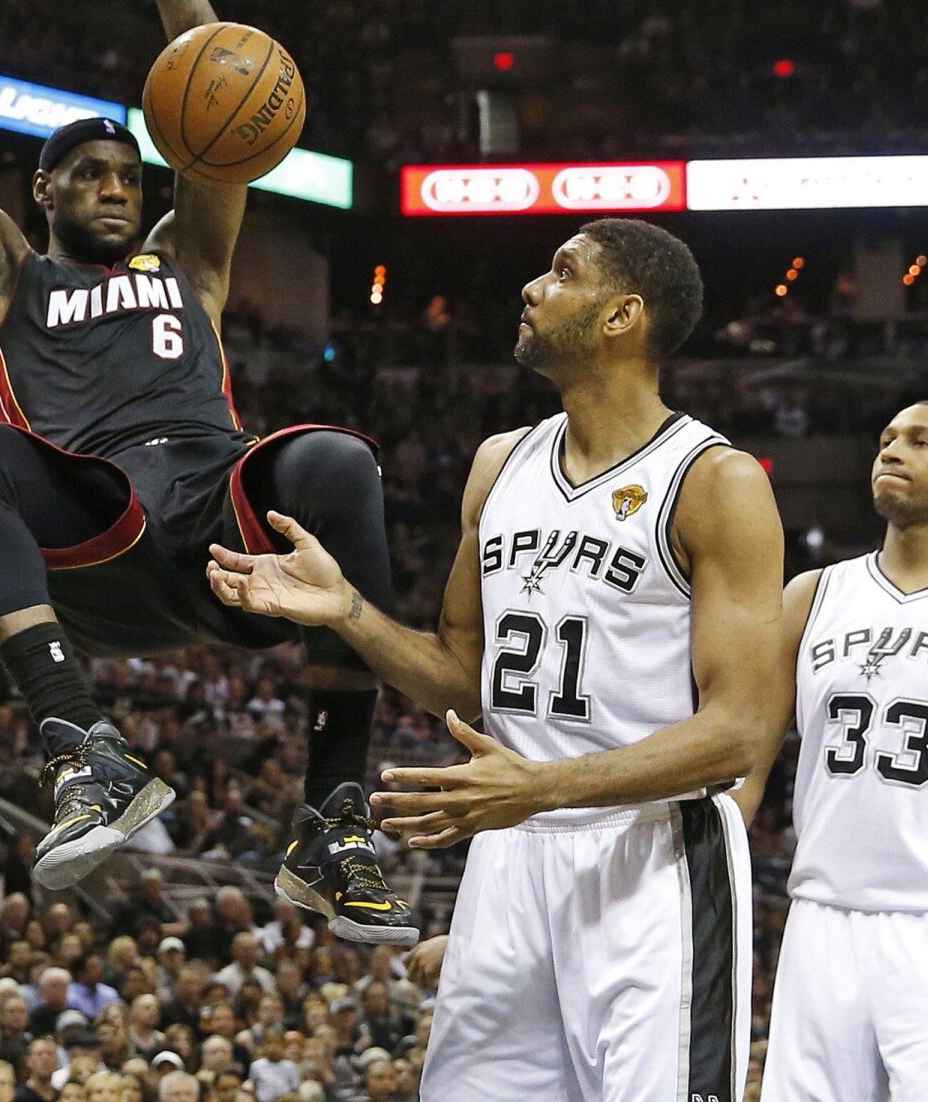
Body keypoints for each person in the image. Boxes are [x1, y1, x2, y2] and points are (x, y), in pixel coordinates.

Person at [0, 0, 413, 944]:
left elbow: (221, 80)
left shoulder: (189, 261)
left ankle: (332, 819)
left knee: (337, 458)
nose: (112, 188)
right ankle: (80, 745)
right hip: (92, 531)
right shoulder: (1, 276)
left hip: (211, 524)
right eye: (86, 173)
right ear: (36, 190)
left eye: (126, 174)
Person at [208, 220, 784, 1101]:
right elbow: (459, 676)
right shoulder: (499, 464)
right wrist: (348, 612)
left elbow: (739, 736)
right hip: (510, 850)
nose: (531, 287)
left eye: (564, 272)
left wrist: (542, 788)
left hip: (654, 856)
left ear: (623, 315)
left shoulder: (716, 482)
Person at [740, 402, 928, 1100]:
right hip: (819, 918)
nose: (892, 451)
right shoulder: (812, 594)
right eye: (886, 439)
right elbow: (748, 758)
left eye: (921, 442)